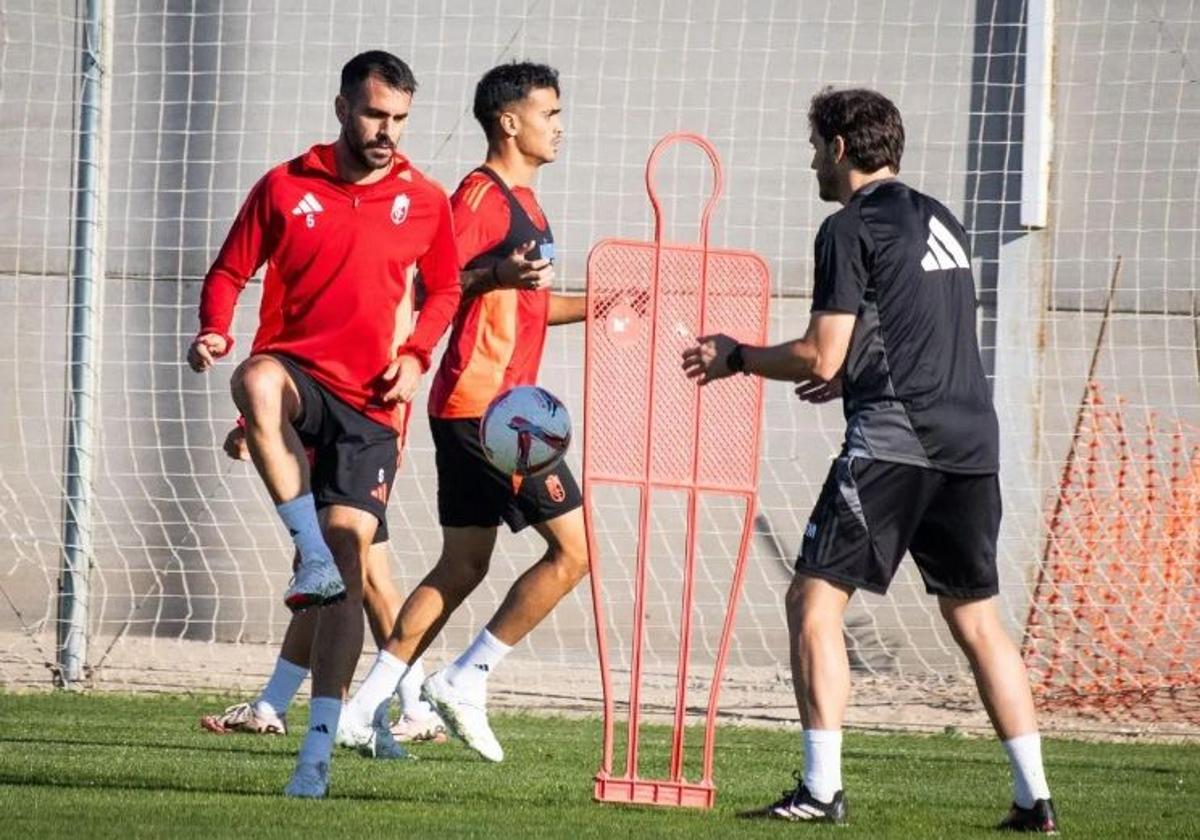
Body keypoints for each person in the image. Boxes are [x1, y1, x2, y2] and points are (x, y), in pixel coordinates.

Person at [681, 87, 1057, 833]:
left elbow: (822, 349)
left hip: (896, 441)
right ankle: (1035, 800)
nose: (813, 162)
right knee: (977, 619)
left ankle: (820, 790)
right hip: (972, 443)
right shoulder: (939, 218)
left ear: (841, 148)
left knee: (812, 602)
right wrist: (853, 371)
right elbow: (904, 333)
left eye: (816, 146)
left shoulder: (846, 226)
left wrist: (738, 357)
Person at [187, 50, 460, 797]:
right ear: (342, 106)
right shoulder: (284, 186)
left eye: (400, 119)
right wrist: (215, 328)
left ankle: (315, 752)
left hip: (373, 407)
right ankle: (304, 550)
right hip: (301, 380)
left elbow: (445, 289)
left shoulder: (425, 200)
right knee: (254, 375)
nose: (387, 132)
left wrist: (416, 355)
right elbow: (228, 272)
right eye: (375, 114)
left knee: (347, 565)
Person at [334, 61, 588, 765]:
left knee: (463, 564)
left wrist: (604, 305)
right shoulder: (478, 197)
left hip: (494, 409)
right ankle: (466, 677)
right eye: (551, 113)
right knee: (575, 551)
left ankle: (361, 710)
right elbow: (434, 285)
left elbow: (525, 303)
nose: (560, 127)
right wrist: (494, 275)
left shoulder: (531, 206)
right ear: (510, 121)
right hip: (489, 410)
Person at [198, 423, 447, 749]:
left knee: (330, 573)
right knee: (355, 577)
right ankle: (414, 708)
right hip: (354, 439)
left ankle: (284, 710)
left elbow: (330, 371)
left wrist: (250, 421)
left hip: (355, 438)